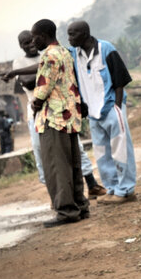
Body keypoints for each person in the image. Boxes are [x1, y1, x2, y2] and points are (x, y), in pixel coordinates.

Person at [0, 30, 105, 197]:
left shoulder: (50, 54)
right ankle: (54, 195)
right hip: (37, 109)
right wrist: (53, 72)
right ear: (21, 46)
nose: (31, 44)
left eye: (32, 40)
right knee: (42, 151)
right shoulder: (19, 63)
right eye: (26, 43)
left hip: (59, 106)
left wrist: (49, 72)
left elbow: (56, 72)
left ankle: (91, 184)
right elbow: (27, 83)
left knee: (75, 146)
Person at [67, 20, 137, 205]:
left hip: (111, 108)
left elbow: (119, 79)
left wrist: (117, 107)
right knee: (102, 153)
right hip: (93, 113)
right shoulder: (74, 54)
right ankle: (112, 188)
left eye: (72, 34)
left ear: (84, 33)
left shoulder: (105, 48)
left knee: (121, 150)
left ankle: (126, 190)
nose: (69, 38)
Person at [30, 19, 89, 228]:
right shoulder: (64, 51)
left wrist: (35, 103)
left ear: (43, 36)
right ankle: (80, 205)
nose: (32, 41)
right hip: (70, 115)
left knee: (57, 166)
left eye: (34, 37)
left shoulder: (49, 55)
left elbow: (43, 87)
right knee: (73, 163)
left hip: (53, 118)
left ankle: (66, 210)